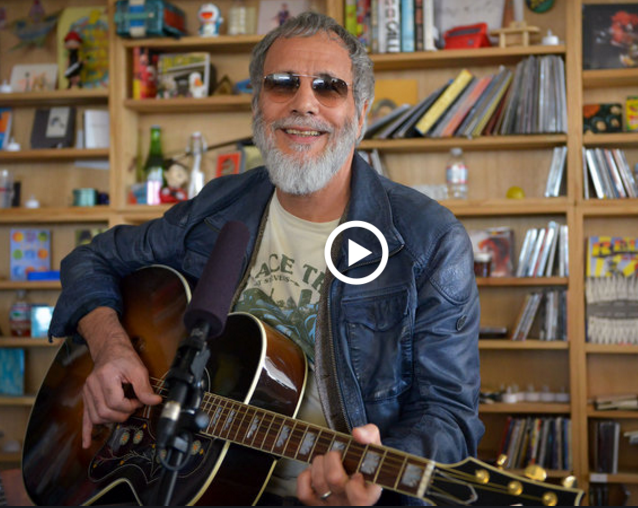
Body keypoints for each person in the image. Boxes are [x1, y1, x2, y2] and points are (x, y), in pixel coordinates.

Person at [49, 12, 483, 506]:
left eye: (329, 88)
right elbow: (91, 260)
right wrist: (110, 349)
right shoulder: (218, 206)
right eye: (282, 84)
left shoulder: (429, 239)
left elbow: (447, 415)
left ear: (360, 115)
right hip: (187, 482)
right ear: (258, 105)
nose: (304, 103)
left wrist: (374, 487)